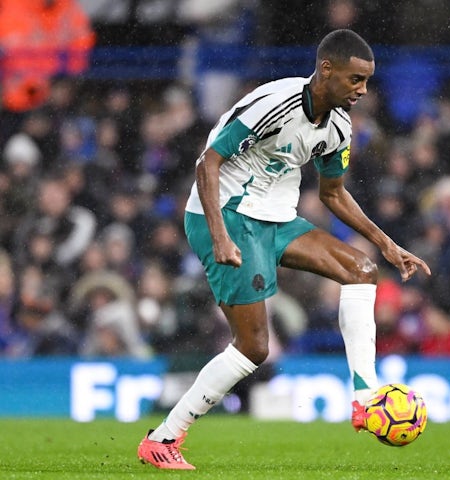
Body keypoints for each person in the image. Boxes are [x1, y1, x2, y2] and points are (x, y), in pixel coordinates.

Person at [137, 29, 431, 470]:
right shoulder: (275, 103)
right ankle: (163, 437)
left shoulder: (338, 127)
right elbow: (207, 163)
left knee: (362, 269)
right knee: (253, 347)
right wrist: (220, 236)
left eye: (367, 81)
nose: (362, 90)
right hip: (228, 215)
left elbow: (332, 194)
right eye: (355, 79)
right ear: (326, 70)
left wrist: (387, 243)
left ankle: (366, 399)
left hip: (275, 218)